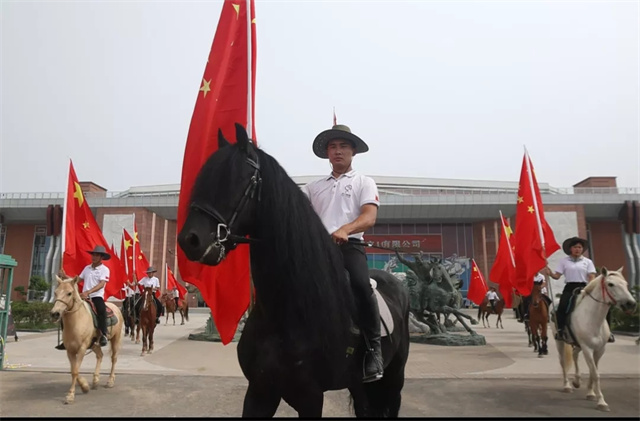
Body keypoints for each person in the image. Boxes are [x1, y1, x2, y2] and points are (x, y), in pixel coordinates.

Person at [302, 123, 383, 383]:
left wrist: (345, 229)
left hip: (350, 247)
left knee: (360, 285)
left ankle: (373, 349)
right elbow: (297, 214)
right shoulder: (312, 188)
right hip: (318, 250)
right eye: (333, 147)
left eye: (343, 146)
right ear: (327, 153)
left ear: (353, 151)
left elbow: (369, 217)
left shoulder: (364, 182)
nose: (338, 151)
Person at [55, 245, 111, 350]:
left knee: (101, 310)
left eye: (97, 255)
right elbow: (77, 280)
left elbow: (102, 284)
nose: (94, 257)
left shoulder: (104, 269)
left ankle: (103, 334)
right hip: (83, 297)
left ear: (101, 257)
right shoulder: (87, 268)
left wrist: (88, 292)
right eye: (93, 255)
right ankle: (65, 338)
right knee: (65, 311)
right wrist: (65, 276)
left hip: (96, 296)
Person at [545, 236, 598, 342]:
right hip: (570, 287)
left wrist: (590, 288)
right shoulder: (564, 261)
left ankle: (606, 331)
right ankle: (560, 330)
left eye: (579, 247)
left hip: (584, 287)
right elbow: (557, 276)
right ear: (570, 249)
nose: (577, 249)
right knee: (562, 306)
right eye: (575, 247)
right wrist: (550, 273)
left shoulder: (588, 262)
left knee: (600, 305)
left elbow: (591, 277)